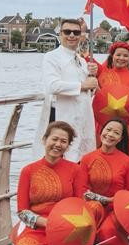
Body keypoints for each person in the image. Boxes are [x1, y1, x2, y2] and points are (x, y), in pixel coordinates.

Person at [11, 122, 90, 245]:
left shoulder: (76, 170)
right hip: (35, 228)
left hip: (65, 230)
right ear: (44, 139)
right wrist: (47, 223)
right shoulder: (28, 171)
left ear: (67, 146)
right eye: (54, 139)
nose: (58, 144)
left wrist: (83, 241)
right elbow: (22, 211)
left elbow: (80, 207)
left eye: (63, 141)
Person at [77, 119, 129, 245]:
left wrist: (114, 201)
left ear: (120, 139)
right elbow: (81, 191)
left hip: (116, 209)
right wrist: (103, 200)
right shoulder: (87, 158)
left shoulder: (126, 161)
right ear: (101, 131)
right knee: (93, 207)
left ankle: (93, 243)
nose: (110, 134)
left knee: (107, 234)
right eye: (108, 130)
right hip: (94, 207)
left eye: (116, 132)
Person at [33, 18, 98, 162]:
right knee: (62, 155)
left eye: (76, 32)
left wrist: (92, 79)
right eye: (67, 32)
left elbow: (89, 91)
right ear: (60, 34)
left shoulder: (81, 61)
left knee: (81, 156)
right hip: (63, 114)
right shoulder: (51, 57)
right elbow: (52, 86)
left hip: (82, 115)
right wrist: (82, 85)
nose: (72, 35)